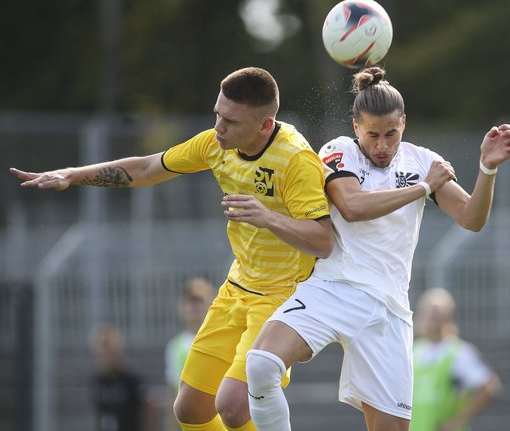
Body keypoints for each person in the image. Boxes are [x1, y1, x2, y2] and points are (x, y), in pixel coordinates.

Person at [9, 67, 334, 431]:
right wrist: (72, 174)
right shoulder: (215, 144)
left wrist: (267, 217)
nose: (218, 127)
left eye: (229, 120)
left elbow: (323, 240)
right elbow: (147, 168)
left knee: (232, 406)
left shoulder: (296, 160)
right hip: (237, 289)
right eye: (217, 114)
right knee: (191, 409)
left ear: (264, 124)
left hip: (284, 297)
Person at [245, 66, 510, 431]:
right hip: (333, 289)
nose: (382, 145)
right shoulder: (338, 150)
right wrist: (423, 189)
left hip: (388, 310)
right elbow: (352, 207)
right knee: (262, 363)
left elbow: (472, 218)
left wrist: (487, 169)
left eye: (391, 133)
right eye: (373, 134)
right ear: (356, 127)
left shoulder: (423, 161)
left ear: (404, 123)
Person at [411, 287, 501, 431]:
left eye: (436, 314)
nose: (431, 319)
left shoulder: (459, 352)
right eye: (428, 313)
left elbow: (489, 387)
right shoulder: (414, 351)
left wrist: (456, 422)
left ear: (448, 317)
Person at [165, 277, 217, 431]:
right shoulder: (174, 347)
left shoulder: (222, 340)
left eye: (199, 301)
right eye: (189, 302)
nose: (194, 307)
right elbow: (173, 394)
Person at [90, 323, 157, 431]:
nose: (106, 354)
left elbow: (150, 402)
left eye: (110, 350)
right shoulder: (97, 381)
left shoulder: (130, 379)